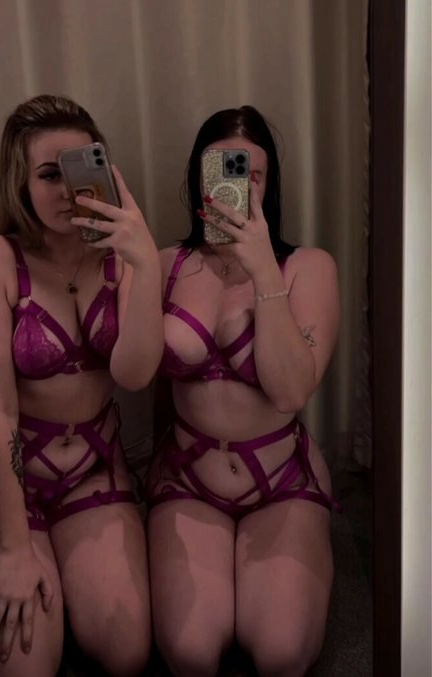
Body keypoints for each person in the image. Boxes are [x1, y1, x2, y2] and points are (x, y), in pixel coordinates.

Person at [0, 94, 163, 676]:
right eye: (48, 175)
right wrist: (14, 548)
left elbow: (134, 374)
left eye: (79, 169)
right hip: (0, 478)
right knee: (26, 664)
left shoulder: (123, 256)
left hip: (92, 471)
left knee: (126, 652)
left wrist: (145, 263)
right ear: (20, 182)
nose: (66, 190)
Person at [147, 106, 340, 677]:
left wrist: (263, 273)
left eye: (252, 174)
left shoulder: (308, 267)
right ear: (199, 180)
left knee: (281, 653)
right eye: (223, 170)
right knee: (190, 653)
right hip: (188, 478)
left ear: (269, 183)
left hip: (282, 482)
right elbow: (139, 376)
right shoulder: (166, 264)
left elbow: (291, 392)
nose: (239, 186)